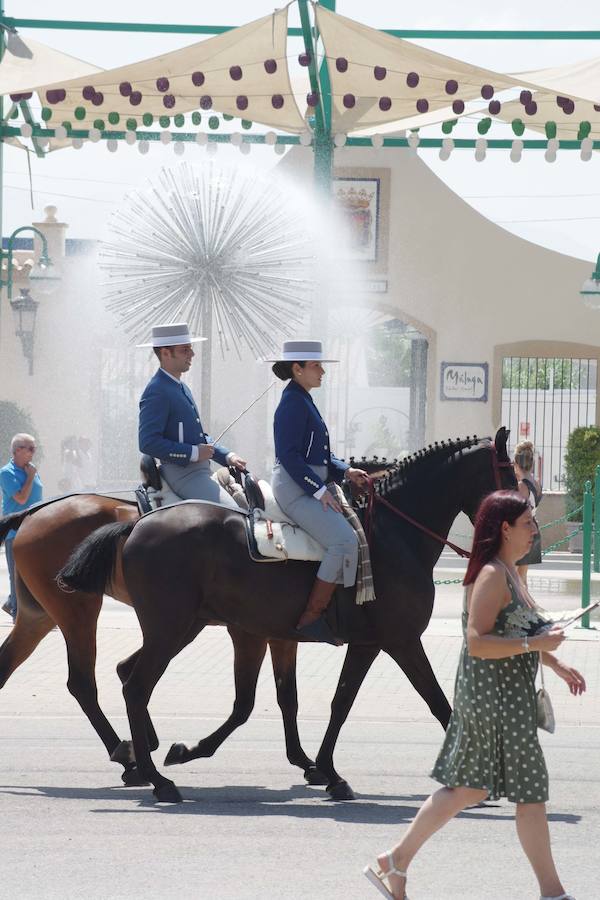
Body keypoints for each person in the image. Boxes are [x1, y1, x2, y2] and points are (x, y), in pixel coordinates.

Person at [364, 490, 586, 900]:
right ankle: (553, 894)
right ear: (504, 528)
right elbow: (478, 642)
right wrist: (535, 648)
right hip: (493, 699)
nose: (535, 530)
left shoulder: (510, 570)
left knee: (470, 789)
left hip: (503, 697)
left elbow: (524, 631)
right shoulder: (492, 575)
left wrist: (555, 662)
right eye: (528, 524)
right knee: (526, 790)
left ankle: (394, 861)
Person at [267, 340, 369, 644]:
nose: (323, 371)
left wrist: (345, 471)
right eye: (316, 366)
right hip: (295, 489)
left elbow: (320, 456)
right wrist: (318, 490)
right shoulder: (292, 404)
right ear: (297, 369)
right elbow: (290, 456)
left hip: (311, 484)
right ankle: (312, 617)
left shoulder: (304, 399)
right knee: (343, 539)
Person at [138, 322, 246, 508]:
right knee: (235, 513)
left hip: (199, 472)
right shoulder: (156, 390)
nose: (192, 354)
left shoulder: (180, 386)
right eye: (185, 350)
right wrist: (194, 452)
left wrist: (227, 456)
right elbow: (148, 442)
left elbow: (197, 437)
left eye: (190, 348)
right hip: (183, 474)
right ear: (165, 353)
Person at [0, 433, 43, 622]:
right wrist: (31, 476)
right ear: (18, 450)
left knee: (34, 572)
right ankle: (18, 615)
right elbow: (21, 498)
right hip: (15, 532)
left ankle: (12, 603)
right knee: (17, 575)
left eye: (35, 448)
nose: (34, 452)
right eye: (31, 448)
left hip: (35, 530)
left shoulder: (30, 470)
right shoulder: (7, 472)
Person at [515, 440, 543, 583]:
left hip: (522, 532)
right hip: (533, 528)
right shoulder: (536, 483)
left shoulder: (521, 485)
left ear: (515, 463)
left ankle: (512, 605)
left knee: (512, 577)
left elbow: (518, 513)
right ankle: (527, 605)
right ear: (532, 464)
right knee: (522, 578)